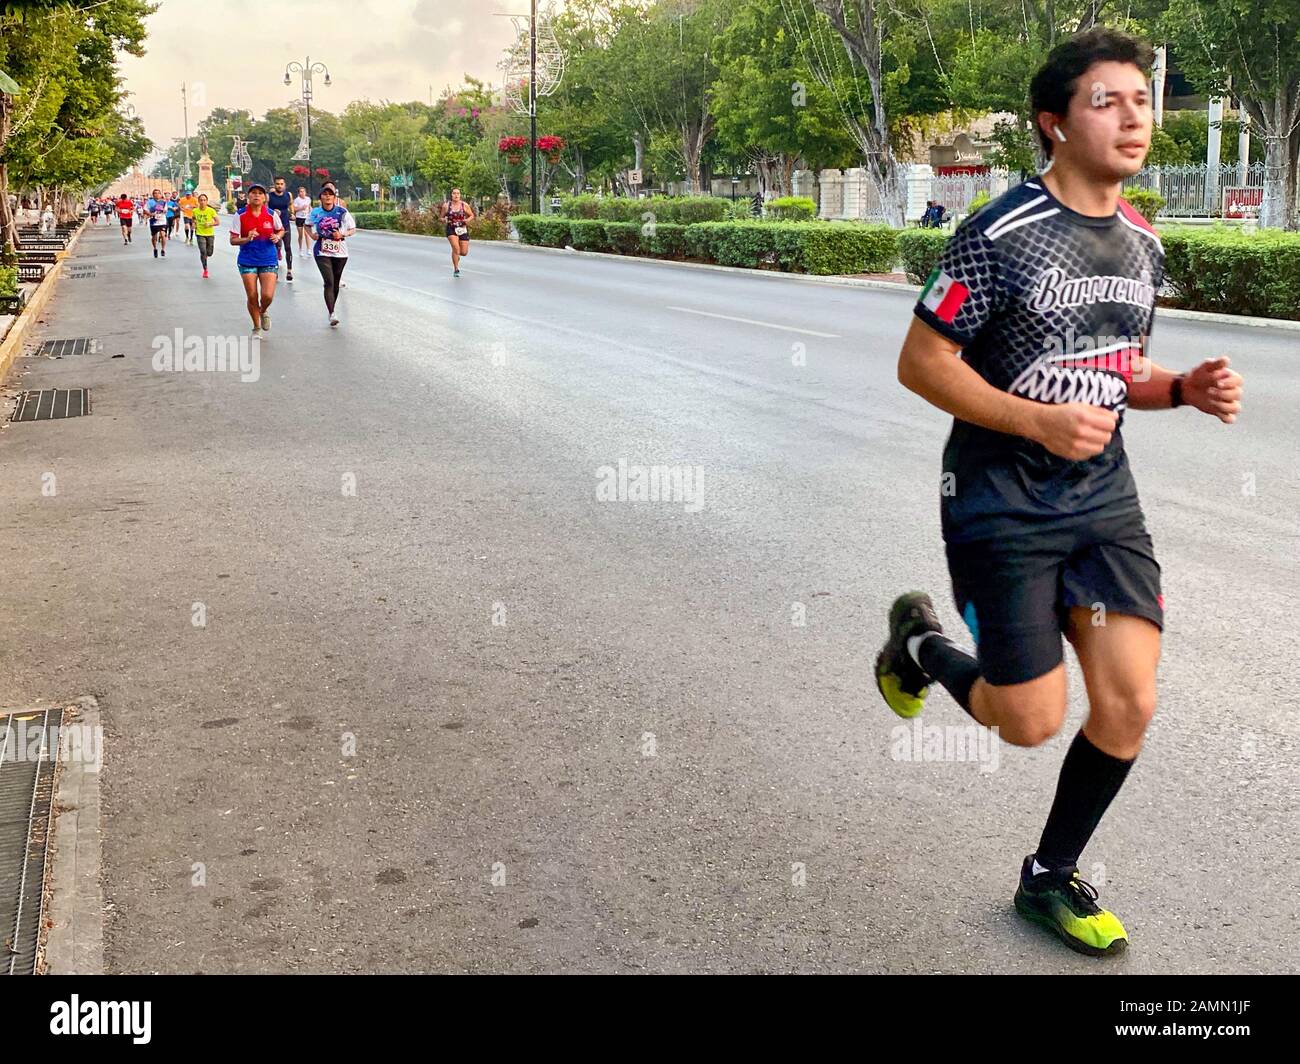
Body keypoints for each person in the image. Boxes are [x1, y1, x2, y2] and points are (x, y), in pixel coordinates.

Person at [874, 27, 1244, 958]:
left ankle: (1048, 874)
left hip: (1101, 498)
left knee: (1128, 704)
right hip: (999, 495)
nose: (1133, 118)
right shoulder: (998, 236)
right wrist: (1034, 421)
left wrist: (1179, 390)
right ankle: (920, 644)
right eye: (1106, 100)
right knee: (1027, 721)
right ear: (1054, 122)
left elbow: (1117, 370)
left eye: (1142, 100)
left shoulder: (1143, 241)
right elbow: (922, 363)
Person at [228, 183, 284, 334]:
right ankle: (256, 326)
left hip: (268, 258)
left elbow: (281, 230)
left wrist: (277, 236)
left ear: (265, 197)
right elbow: (233, 240)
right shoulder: (240, 215)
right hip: (247, 259)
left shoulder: (271, 214)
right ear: (248, 196)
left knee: (267, 295)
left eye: (260, 193)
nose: (257, 195)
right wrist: (247, 238)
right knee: (252, 295)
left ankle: (263, 310)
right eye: (253, 193)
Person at [307, 183, 356, 327]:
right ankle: (332, 313)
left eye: (330, 194)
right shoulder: (315, 212)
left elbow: (352, 229)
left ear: (334, 198)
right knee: (328, 281)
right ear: (320, 198)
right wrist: (312, 235)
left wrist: (342, 233)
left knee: (335, 282)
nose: (328, 197)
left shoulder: (342, 212)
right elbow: (307, 224)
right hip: (322, 250)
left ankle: (331, 309)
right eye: (325, 194)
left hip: (340, 250)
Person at [438, 187, 475, 277]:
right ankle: (456, 269)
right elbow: (440, 218)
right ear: (451, 195)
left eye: (458, 193)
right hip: (451, 228)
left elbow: (471, 215)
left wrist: (467, 220)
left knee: (463, 252)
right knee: (456, 249)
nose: (456, 195)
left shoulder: (464, 205)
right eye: (454, 193)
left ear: (460, 195)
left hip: (462, 228)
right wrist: (444, 220)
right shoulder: (446, 206)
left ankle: (456, 256)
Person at [267, 177, 296, 282]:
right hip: (274, 227)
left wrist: (292, 213)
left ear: (284, 185)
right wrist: (272, 212)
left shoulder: (288, 195)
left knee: (288, 247)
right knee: (273, 249)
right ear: (274, 185)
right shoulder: (269, 197)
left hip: (285, 224)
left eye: (281, 184)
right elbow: (265, 209)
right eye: (277, 184)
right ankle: (275, 271)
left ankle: (289, 270)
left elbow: (291, 204)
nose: (279, 185)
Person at [193, 193, 220, 278]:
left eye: (204, 200)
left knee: (209, 253)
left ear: (207, 201)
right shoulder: (195, 211)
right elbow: (193, 219)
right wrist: (194, 224)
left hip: (210, 234)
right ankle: (205, 269)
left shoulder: (211, 211)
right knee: (203, 251)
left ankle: (206, 256)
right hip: (200, 233)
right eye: (201, 200)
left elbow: (218, 222)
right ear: (198, 201)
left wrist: (210, 224)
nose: (202, 202)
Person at [146, 189, 170, 257]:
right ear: (153, 195)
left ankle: (163, 249)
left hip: (162, 221)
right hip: (154, 222)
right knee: (154, 237)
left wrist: (161, 210)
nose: (157, 195)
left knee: (163, 235)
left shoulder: (164, 202)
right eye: (155, 193)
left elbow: (165, 211)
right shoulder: (149, 202)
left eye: (158, 193)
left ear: (160, 194)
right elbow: (145, 210)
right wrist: (151, 214)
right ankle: (155, 248)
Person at [293, 185, 313, 252]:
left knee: (307, 234)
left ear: (305, 192)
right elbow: (294, 209)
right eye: (301, 192)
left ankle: (308, 249)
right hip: (299, 218)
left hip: (306, 218)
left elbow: (310, 207)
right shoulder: (296, 200)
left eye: (303, 191)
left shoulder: (308, 199)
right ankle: (300, 249)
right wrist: (301, 208)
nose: (302, 193)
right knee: (301, 235)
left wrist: (312, 214)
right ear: (299, 193)